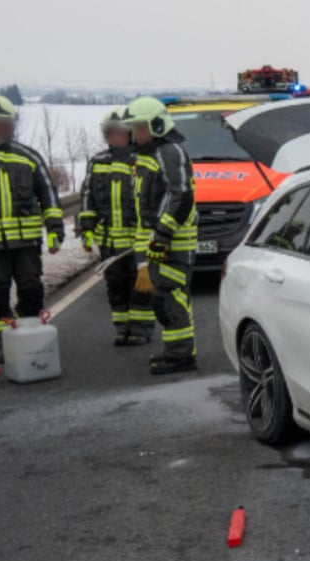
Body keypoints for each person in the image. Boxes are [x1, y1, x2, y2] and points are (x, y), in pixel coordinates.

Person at [0, 94, 63, 363]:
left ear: (12, 125)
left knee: (31, 289)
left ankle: (31, 342)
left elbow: (49, 196)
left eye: (3, 124)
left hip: (27, 244)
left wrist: (55, 229)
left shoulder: (28, 156)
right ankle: (2, 347)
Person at [122, 96, 198, 375]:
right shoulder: (146, 156)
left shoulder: (170, 151)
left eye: (140, 128)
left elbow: (182, 197)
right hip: (160, 242)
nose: (135, 133)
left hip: (174, 242)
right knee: (163, 299)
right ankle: (175, 352)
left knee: (172, 297)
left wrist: (163, 236)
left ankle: (181, 356)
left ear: (156, 125)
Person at [79, 108, 153, 346]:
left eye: (119, 133)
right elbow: (88, 196)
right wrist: (87, 228)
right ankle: (122, 328)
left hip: (136, 242)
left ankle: (141, 329)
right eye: (110, 133)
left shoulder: (142, 161)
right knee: (116, 287)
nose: (114, 137)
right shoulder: (98, 162)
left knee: (140, 287)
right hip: (109, 242)